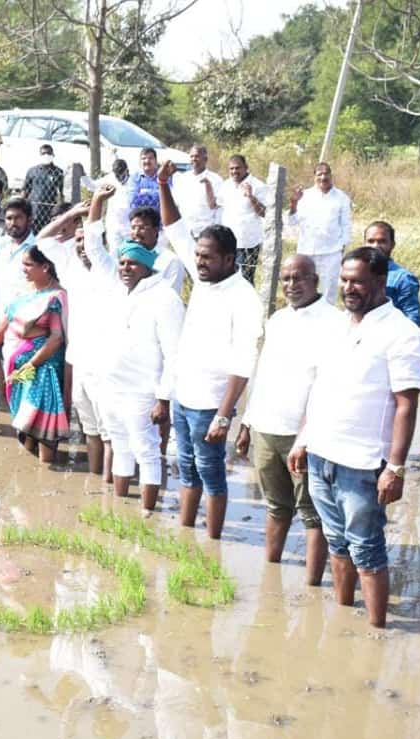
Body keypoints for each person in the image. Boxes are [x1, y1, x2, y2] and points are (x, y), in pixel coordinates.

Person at [289, 246, 420, 628]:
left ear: (380, 283)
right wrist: (303, 439)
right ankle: (342, 619)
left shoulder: (403, 334)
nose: (349, 288)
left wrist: (395, 468)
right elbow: (320, 388)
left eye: (358, 282)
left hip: (364, 465)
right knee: (337, 544)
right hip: (321, 456)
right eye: (345, 281)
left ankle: (376, 631)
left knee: (367, 551)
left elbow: (406, 405)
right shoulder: (335, 325)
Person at [157, 160, 264, 540]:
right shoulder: (203, 278)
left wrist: (224, 414)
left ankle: (213, 542)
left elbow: (245, 360)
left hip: (210, 404)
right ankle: (188, 535)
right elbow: (174, 228)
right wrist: (164, 183)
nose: (198, 262)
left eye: (207, 257)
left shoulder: (244, 297)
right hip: (184, 395)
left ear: (229, 260)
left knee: (212, 474)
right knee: (185, 466)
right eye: (198, 256)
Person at [234, 255, 341, 581]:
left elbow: (329, 386)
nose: (292, 285)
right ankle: (271, 576)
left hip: (305, 436)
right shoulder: (278, 320)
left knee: (312, 513)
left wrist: (309, 437)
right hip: (267, 427)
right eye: (286, 279)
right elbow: (262, 374)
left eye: (300, 278)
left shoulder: (335, 322)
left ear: (316, 280)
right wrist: (247, 423)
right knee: (275, 506)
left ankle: (311, 584)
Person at [83, 185, 185, 510]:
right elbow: (93, 248)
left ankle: (146, 514)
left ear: (146, 267)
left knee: (147, 451)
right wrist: (97, 202)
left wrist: (163, 398)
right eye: (122, 264)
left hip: (143, 391)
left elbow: (174, 355)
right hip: (111, 388)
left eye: (132, 265)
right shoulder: (117, 290)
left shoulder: (165, 297)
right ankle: (118, 509)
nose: (125, 268)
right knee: (122, 447)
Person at [0, 246, 68, 461]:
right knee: (23, 420)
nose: (23, 270)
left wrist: (32, 364)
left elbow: (56, 338)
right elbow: (5, 323)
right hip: (18, 368)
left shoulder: (55, 297)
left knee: (42, 423)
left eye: (28, 265)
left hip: (43, 369)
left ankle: (44, 471)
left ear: (45, 267)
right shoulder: (23, 292)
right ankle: (30, 470)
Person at [36, 204, 107, 477]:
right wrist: (70, 214)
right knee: (86, 420)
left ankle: (111, 480)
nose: (82, 245)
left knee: (107, 425)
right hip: (76, 352)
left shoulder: (113, 270)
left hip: (106, 359)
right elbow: (42, 239)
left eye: (87, 240)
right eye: (78, 240)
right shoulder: (69, 266)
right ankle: (96, 478)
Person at [0, 198, 38, 407]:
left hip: (27, 322)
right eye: (8, 218)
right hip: (1, 319)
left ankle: (26, 413)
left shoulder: (38, 248)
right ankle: (7, 407)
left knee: (25, 370)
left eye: (18, 218)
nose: (12, 223)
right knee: (3, 365)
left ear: (30, 219)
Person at [287, 162, 352, 304]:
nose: (323, 177)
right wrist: (293, 204)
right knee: (303, 287)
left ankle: (327, 322)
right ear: (314, 177)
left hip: (331, 253)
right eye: (319, 174)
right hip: (307, 251)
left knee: (329, 291)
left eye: (326, 173)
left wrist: (342, 247)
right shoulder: (304, 196)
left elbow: (346, 225)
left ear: (331, 175)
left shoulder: (341, 197)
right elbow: (292, 221)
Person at [218, 155, 268, 285]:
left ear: (246, 168)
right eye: (231, 169)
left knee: (245, 280)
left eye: (237, 168)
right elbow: (219, 207)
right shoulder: (225, 185)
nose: (234, 171)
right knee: (228, 279)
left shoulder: (258, 186)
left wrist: (251, 197)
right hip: (228, 242)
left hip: (247, 242)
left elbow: (264, 213)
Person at [363, 221, 420, 327]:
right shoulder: (357, 273)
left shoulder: (404, 279)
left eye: (382, 241)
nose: (376, 246)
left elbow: (413, 318)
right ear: (364, 244)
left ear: (392, 245)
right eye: (371, 241)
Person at [171, 144, 222, 237]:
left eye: (197, 156)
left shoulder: (215, 179)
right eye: (192, 156)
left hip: (206, 230)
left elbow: (217, 206)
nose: (194, 159)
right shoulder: (183, 178)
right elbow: (176, 204)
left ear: (205, 159)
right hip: (186, 230)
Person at [22, 144, 66, 232]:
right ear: (40, 155)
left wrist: (61, 210)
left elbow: (61, 193)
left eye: (48, 153)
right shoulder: (32, 171)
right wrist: (22, 206)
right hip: (34, 209)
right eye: (43, 153)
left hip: (49, 209)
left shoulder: (58, 172)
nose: (46, 155)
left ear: (53, 155)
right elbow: (25, 191)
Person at [103, 159, 131, 255]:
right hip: (113, 224)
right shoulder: (110, 179)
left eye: (121, 174)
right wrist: (83, 176)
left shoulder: (134, 181)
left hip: (129, 225)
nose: (119, 177)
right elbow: (92, 186)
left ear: (126, 171)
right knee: (114, 253)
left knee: (130, 253)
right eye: (117, 175)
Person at [125, 148, 161, 214]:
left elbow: (166, 199)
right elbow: (132, 200)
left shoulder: (163, 176)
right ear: (139, 162)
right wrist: (156, 194)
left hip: (160, 218)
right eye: (143, 158)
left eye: (150, 158)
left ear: (156, 161)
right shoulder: (134, 178)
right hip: (141, 217)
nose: (147, 161)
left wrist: (143, 192)